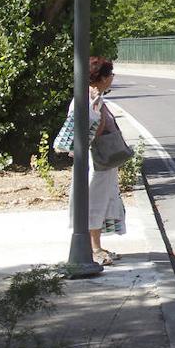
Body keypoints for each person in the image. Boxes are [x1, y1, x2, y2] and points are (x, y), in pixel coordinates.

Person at [53, 56, 127, 265]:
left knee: (102, 200)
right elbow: (92, 130)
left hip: (101, 161)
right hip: (94, 161)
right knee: (94, 201)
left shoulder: (95, 97)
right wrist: (97, 109)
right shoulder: (87, 99)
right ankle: (94, 249)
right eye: (110, 74)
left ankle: (97, 246)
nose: (112, 78)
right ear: (102, 77)